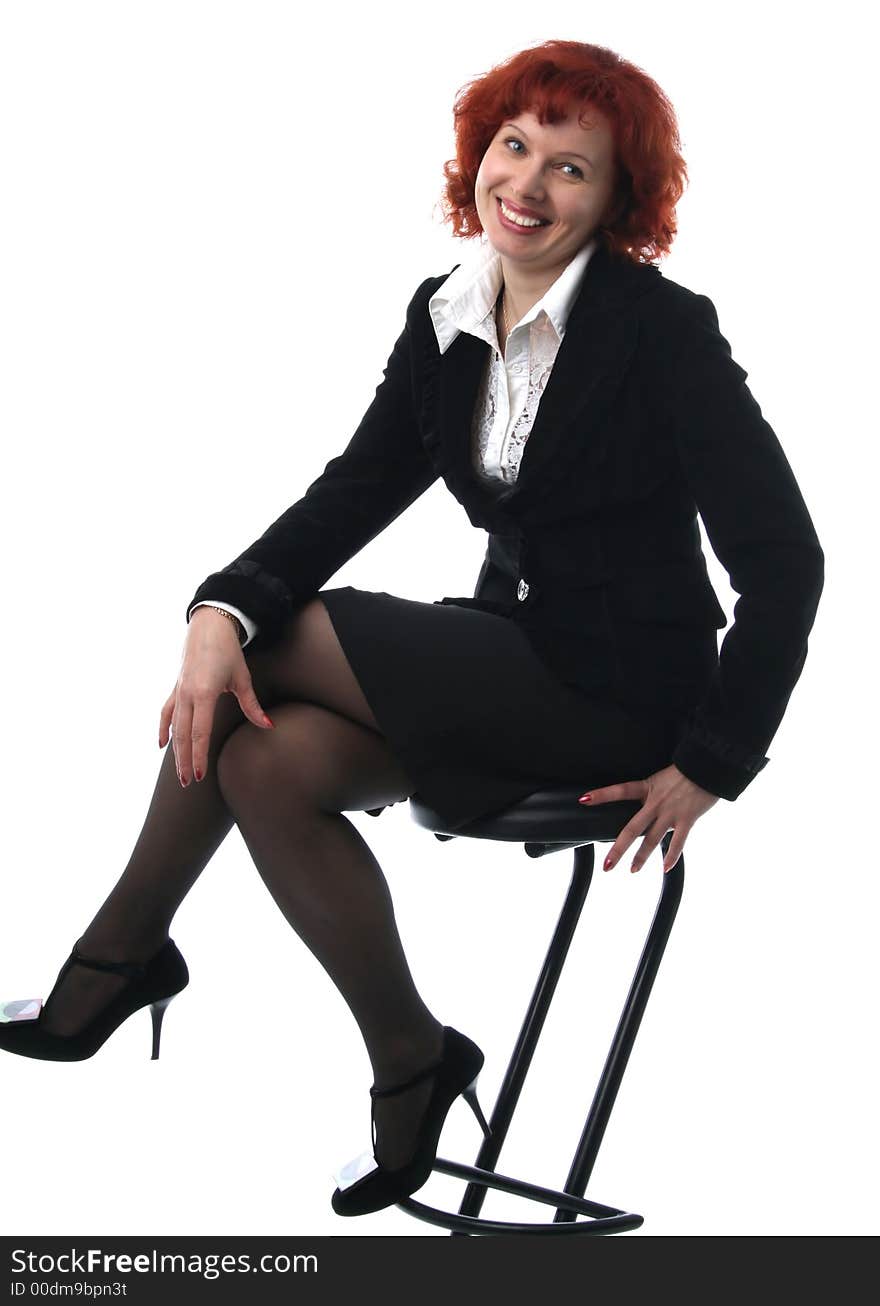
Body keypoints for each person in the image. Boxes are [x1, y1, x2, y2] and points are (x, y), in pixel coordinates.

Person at [0, 39, 824, 1218]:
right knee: (263, 756)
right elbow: (357, 485)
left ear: (618, 200)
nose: (527, 186)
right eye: (513, 146)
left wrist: (712, 761)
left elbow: (788, 564)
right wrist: (222, 600)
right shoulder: (446, 312)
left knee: (271, 643)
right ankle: (413, 1060)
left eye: (571, 170)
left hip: (620, 699)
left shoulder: (663, 332)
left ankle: (119, 956)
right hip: (511, 663)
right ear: (478, 154)